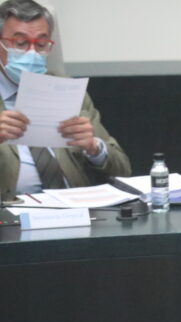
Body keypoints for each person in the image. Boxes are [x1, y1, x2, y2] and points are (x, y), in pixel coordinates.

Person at [0, 0, 130, 200]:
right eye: (20, 43)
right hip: (10, 218)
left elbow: (123, 171)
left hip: (77, 213)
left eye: (41, 44)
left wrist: (94, 148)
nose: (32, 53)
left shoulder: (66, 90)